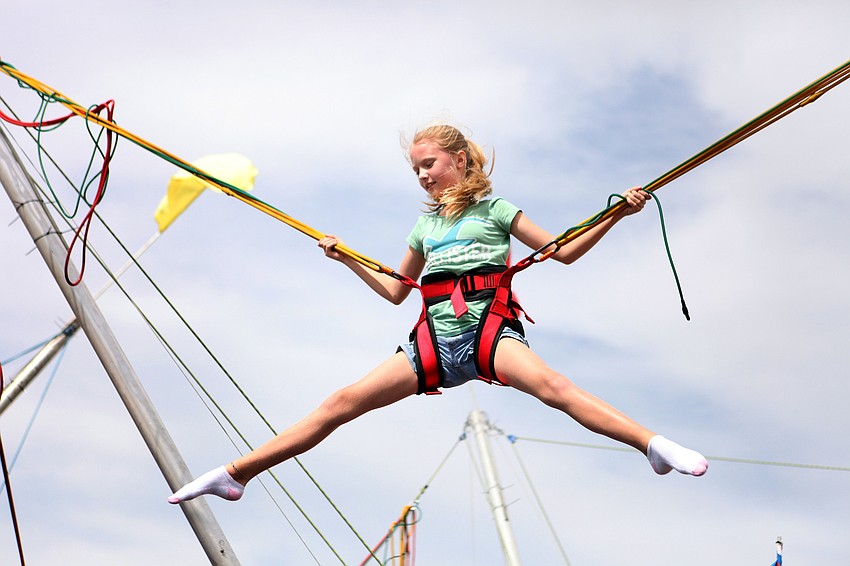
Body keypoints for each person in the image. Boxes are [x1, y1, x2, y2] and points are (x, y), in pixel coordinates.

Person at [168, 125, 707, 505]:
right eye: (416, 169)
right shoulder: (423, 229)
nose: (423, 175)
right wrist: (345, 257)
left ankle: (651, 445)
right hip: (430, 341)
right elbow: (395, 290)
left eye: (430, 164)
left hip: (486, 330)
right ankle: (237, 474)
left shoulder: (496, 211)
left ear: (460, 162)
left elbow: (562, 251)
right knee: (340, 403)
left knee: (555, 388)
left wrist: (617, 213)